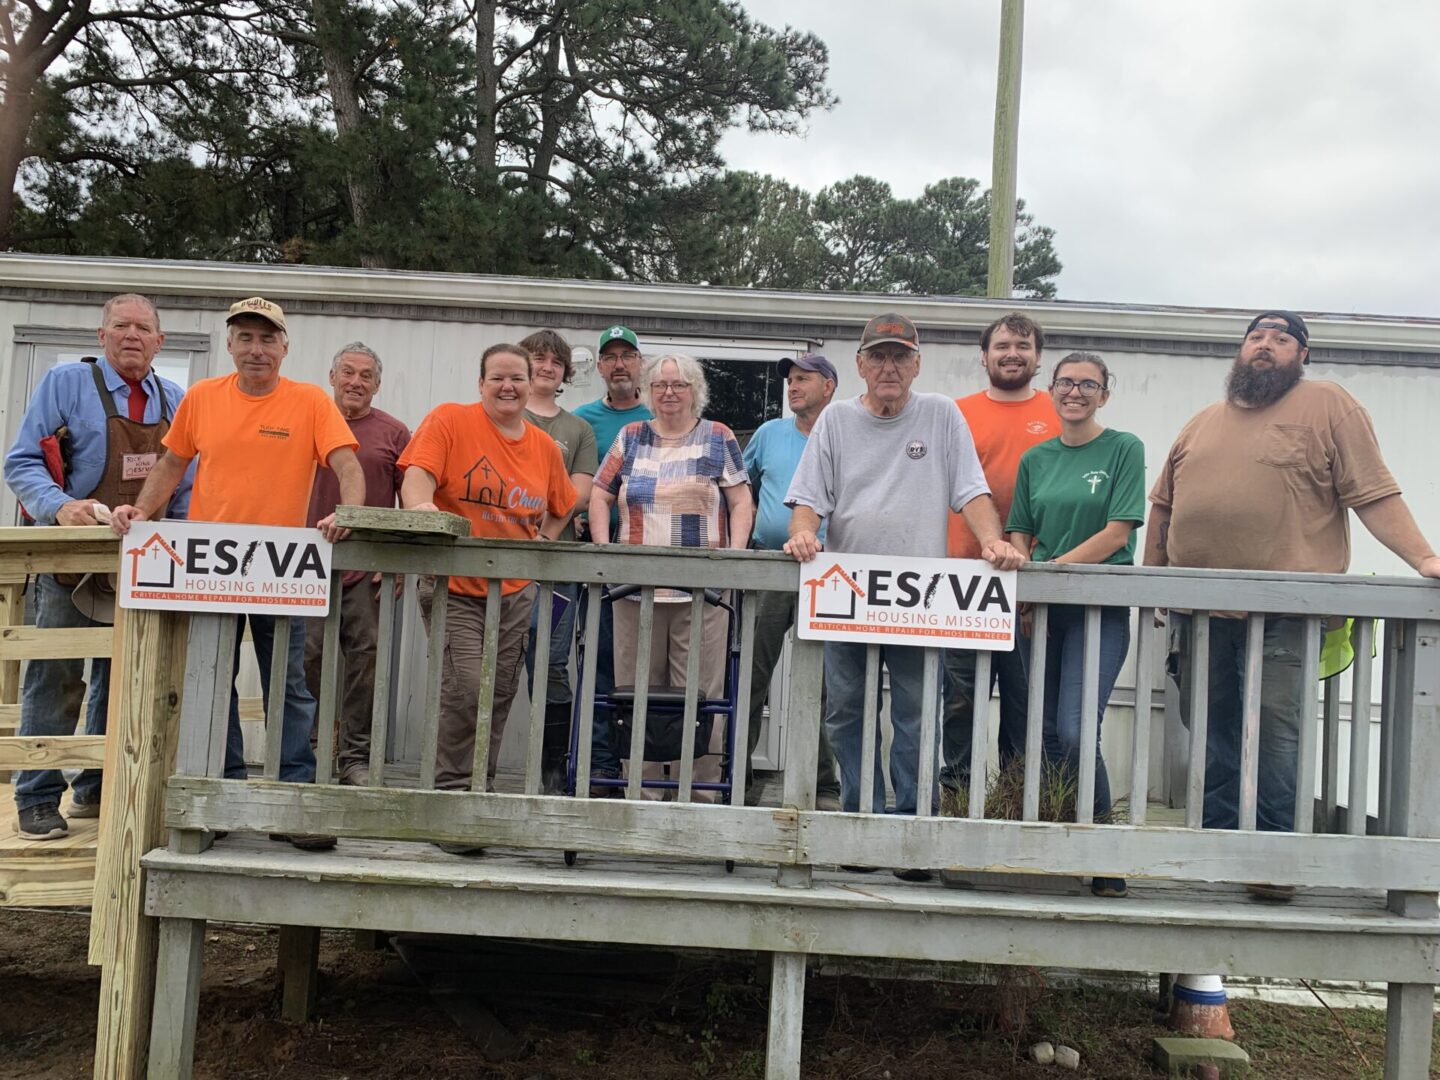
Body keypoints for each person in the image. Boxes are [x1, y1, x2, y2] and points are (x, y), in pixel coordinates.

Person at [1146, 311, 1440, 877]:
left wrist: (1424, 558)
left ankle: (1274, 862)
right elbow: (1164, 505)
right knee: (1213, 729)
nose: (1265, 345)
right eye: (1256, 337)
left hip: (1286, 612)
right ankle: (1217, 851)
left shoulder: (1329, 404)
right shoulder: (1202, 420)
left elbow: (1373, 494)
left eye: (1282, 340)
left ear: (1302, 356)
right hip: (1200, 610)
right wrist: (1155, 580)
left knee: (1275, 733)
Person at [111, 296, 363, 852]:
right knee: (212, 681)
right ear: (229, 345)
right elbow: (172, 463)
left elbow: (346, 462)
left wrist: (350, 510)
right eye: (245, 338)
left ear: (284, 347)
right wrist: (142, 513)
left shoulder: (310, 401)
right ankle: (222, 796)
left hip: (281, 570)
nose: (256, 349)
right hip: (211, 568)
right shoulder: (202, 398)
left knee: (289, 689)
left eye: (267, 338)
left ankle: (292, 802)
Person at [784, 312, 1026, 869]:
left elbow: (971, 490)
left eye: (900, 356)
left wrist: (993, 542)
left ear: (917, 364)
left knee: (917, 715)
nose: (889, 366)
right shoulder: (836, 421)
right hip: (847, 597)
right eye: (878, 356)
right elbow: (808, 499)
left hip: (921, 601)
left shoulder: (941, 415)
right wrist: (802, 535)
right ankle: (861, 827)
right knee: (846, 711)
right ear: (860, 364)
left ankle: (914, 833)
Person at [4, 293, 191, 840]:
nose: (132, 335)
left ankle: (95, 787)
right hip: (69, 560)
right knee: (56, 675)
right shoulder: (65, 385)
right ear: (100, 335)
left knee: (122, 680)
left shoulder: (176, 401)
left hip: (141, 563)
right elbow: (22, 461)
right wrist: (61, 506)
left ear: (160, 341)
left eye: (143, 328)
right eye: (121, 326)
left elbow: (183, 483)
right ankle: (37, 796)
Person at [399, 343, 574, 837]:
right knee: (465, 687)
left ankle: (480, 787)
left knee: (498, 692)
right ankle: (451, 799)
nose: (508, 386)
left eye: (517, 377)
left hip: (515, 590)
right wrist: (419, 510)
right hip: (455, 583)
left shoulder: (542, 446)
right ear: (481, 384)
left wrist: (543, 541)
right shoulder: (451, 420)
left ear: (533, 382)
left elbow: (565, 503)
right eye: (497, 377)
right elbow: (418, 476)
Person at [1006, 352, 1145, 898]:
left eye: (1089, 384)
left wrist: (1055, 572)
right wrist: (1034, 580)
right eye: (1066, 383)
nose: (1076, 392)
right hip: (1045, 613)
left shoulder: (1123, 448)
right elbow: (1019, 528)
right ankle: (1066, 845)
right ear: (1052, 390)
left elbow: (1118, 532)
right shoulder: (1036, 458)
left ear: (1104, 395)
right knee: (1043, 734)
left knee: (1074, 728)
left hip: (1099, 608)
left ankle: (1105, 849)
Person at [590, 353, 753, 802]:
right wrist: (605, 553)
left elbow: (740, 502)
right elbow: (600, 495)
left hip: (703, 590)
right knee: (634, 691)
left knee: (700, 696)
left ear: (694, 390)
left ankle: (697, 794)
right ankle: (641, 793)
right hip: (633, 588)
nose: (668, 392)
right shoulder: (630, 435)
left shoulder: (717, 436)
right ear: (647, 391)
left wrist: (735, 560)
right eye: (660, 385)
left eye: (679, 384)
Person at [941, 312, 1058, 802]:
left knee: (1025, 701)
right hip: (962, 578)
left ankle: (1014, 801)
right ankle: (955, 798)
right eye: (1003, 344)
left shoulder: (1059, 411)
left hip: (1030, 582)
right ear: (984, 354)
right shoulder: (955, 412)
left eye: (1023, 346)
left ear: (1037, 356)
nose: (1013, 353)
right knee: (959, 700)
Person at [302, 342, 410, 787]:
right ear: (332, 377)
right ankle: (310, 747)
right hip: (302, 564)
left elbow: (413, 500)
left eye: (366, 375)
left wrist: (398, 560)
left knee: (366, 660)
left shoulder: (394, 433)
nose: (356, 382)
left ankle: (355, 758)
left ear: (378, 385)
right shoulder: (306, 420)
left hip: (366, 567)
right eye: (348, 373)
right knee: (306, 657)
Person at [741, 353, 842, 810]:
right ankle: (738, 773)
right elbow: (740, 488)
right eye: (790, 380)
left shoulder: (845, 433)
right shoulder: (768, 434)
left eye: (804, 379)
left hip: (831, 572)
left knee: (824, 683)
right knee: (752, 674)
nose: (793, 386)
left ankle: (821, 785)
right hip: (768, 567)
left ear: (830, 386)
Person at [573, 325, 653, 788]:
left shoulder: (661, 415)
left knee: (650, 666)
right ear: (600, 367)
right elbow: (574, 488)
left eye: (628, 355)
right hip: (602, 560)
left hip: (654, 561)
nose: (619, 363)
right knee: (604, 659)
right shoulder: (583, 421)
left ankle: (650, 762)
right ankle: (602, 762)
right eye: (611, 357)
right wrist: (581, 513)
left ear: (639, 362)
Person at [518, 329, 598, 793]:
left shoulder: (577, 429)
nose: (546, 367)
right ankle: (477, 768)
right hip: (499, 564)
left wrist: (544, 539)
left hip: (554, 569)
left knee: (549, 664)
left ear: (565, 371)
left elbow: (581, 492)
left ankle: (552, 771)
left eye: (554, 362)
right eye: (537, 358)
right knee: (493, 663)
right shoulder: (500, 413)